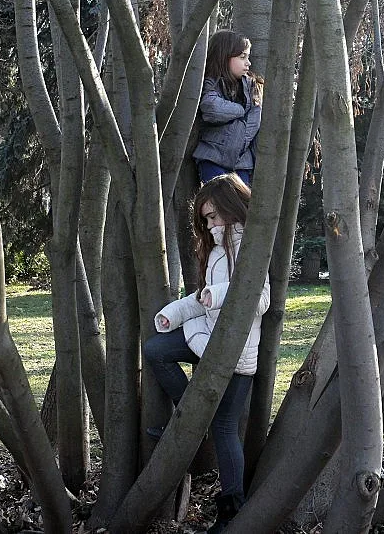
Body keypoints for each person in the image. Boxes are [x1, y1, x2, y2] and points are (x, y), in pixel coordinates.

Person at [144, 174, 270, 533]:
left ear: (233, 208)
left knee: (226, 428)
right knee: (157, 350)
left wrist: (220, 295)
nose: (211, 223)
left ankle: (232, 511)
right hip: (208, 340)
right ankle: (191, 417)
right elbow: (203, 296)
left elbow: (261, 299)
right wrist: (175, 312)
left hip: (236, 352)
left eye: (215, 215)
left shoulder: (250, 245)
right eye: (206, 218)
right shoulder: (216, 247)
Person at [193, 30, 263, 186]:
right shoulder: (212, 82)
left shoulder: (252, 87)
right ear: (224, 57)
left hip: (242, 164)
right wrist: (240, 110)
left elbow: (254, 122)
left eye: (248, 57)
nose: (248, 63)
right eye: (242, 57)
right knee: (218, 205)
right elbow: (211, 107)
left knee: (239, 207)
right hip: (213, 158)